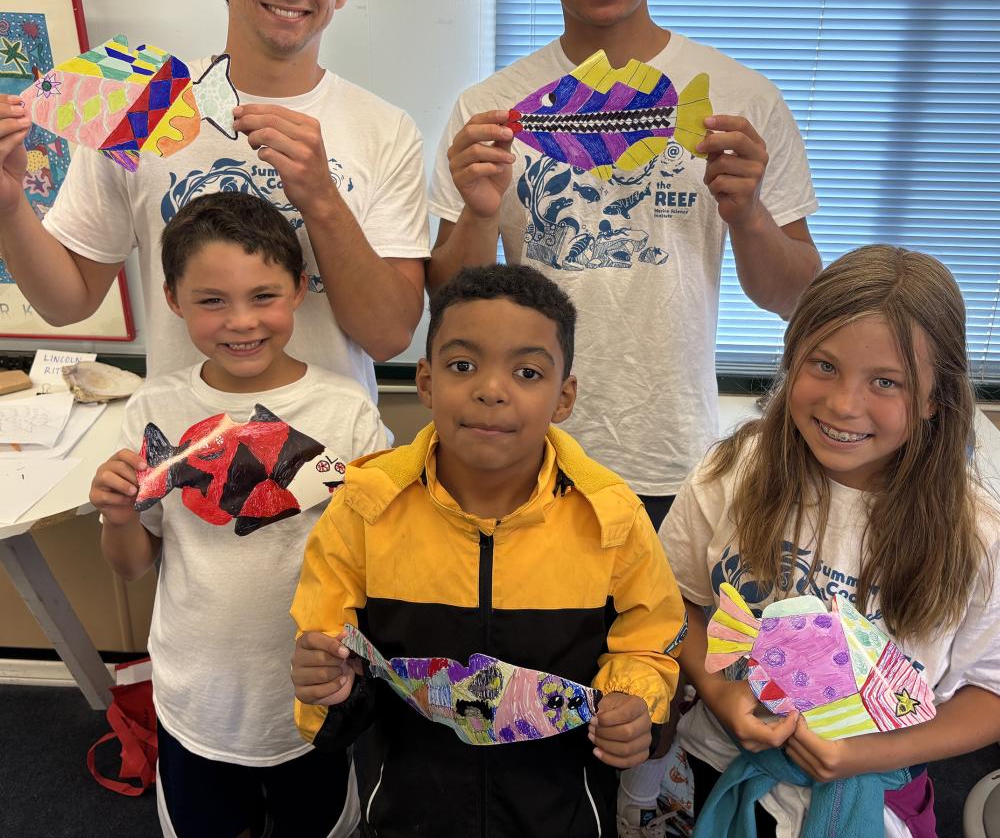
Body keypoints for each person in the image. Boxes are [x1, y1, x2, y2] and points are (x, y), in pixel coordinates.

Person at [426, 0, 821, 527]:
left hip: (673, 457)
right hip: (525, 451)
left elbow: (795, 297)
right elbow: (447, 296)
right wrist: (480, 215)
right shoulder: (488, 109)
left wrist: (751, 214)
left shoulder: (744, 100)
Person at [0, 0, 428, 397]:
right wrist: (10, 205)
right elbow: (68, 303)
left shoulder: (384, 129)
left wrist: (322, 197)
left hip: (333, 442)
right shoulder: (143, 103)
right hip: (182, 436)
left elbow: (389, 337)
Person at [289, 263, 688, 837]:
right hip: (407, 814)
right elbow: (328, 651)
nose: (492, 389)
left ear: (564, 397)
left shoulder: (612, 517)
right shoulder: (365, 508)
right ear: (426, 381)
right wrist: (327, 684)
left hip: (561, 815)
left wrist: (633, 702)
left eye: (527, 372)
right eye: (462, 365)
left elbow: (649, 642)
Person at [658, 245, 1000, 837]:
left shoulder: (977, 538)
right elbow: (674, 599)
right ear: (791, 357)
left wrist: (864, 754)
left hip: (874, 794)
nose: (843, 404)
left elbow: (990, 694)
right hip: (720, 765)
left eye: (885, 382)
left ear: (933, 398)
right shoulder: (731, 473)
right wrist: (715, 690)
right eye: (823, 365)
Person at [89, 192, 387, 838]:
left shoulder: (347, 412)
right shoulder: (153, 408)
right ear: (172, 300)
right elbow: (132, 566)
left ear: (300, 288)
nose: (241, 321)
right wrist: (118, 515)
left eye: (263, 295)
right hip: (195, 698)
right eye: (212, 300)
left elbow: (379, 559)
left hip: (312, 694)